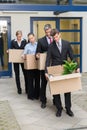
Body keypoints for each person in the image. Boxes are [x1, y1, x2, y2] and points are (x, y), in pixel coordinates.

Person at [45, 29, 80, 117]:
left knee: (67, 89)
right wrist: (46, 72)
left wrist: (77, 67)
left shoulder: (66, 44)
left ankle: (68, 108)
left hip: (65, 69)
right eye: (54, 38)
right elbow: (48, 59)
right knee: (56, 90)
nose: (55, 39)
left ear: (59, 34)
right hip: (55, 69)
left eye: (56, 37)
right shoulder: (50, 46)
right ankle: (59, 108)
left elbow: (72, 56)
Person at [36, 24, 53, 108]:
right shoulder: (40, 40)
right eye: (47, 32)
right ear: (45, 32)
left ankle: (56, 100)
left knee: (54, 83)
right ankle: (43, 100)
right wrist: (37, 55)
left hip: (54, 65)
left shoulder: (55, 38)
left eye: (49, 32)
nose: (48, 34)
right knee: (43, 83)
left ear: (51, 30)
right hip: (44, 66)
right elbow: (37, 52)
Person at [22, 33, 40, 100]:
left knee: (37, 80)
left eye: (32, 38)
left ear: (34, 37)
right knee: (30, 81)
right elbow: (24, 54)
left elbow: (40, 52)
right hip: (29, 66)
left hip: (37, 65)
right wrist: (23, 56)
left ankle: (37, 95)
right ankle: (30, 95)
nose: (31, 40)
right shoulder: (27, 46)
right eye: (29, 39)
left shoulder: (38, 44)